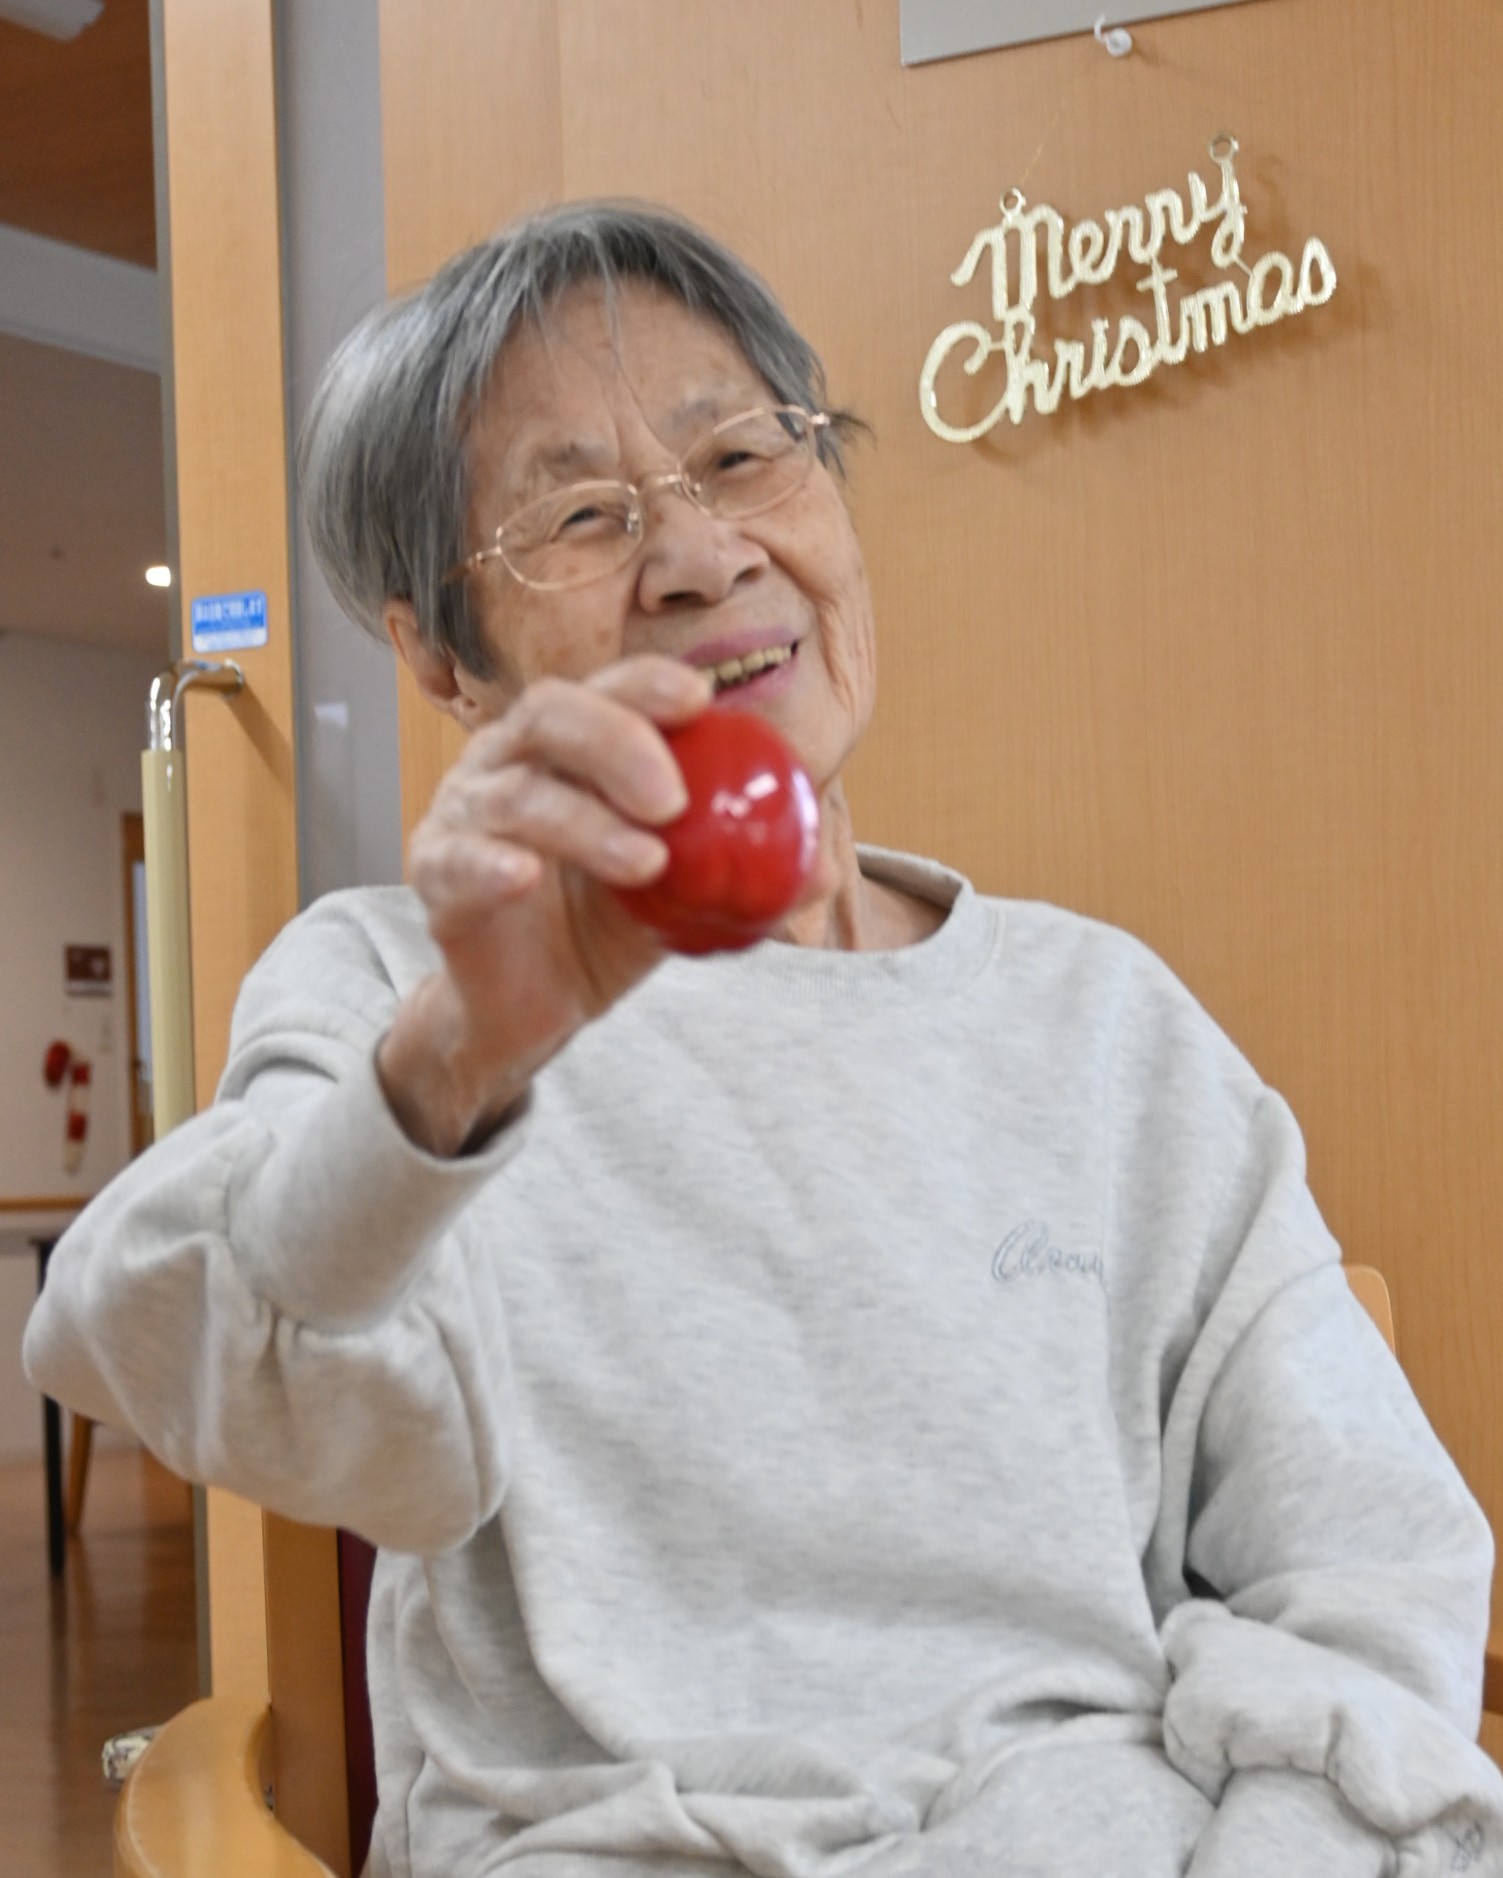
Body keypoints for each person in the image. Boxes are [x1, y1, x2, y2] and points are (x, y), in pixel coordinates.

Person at [24, 202, 1503, 1878]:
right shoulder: (401, 990)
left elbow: (1369, 1562)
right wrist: (452, 1059)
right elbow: (137, 1336)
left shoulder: (1109, 1020)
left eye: (740, 456)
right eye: (580, 513)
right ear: (442, 661)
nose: (699, 553)